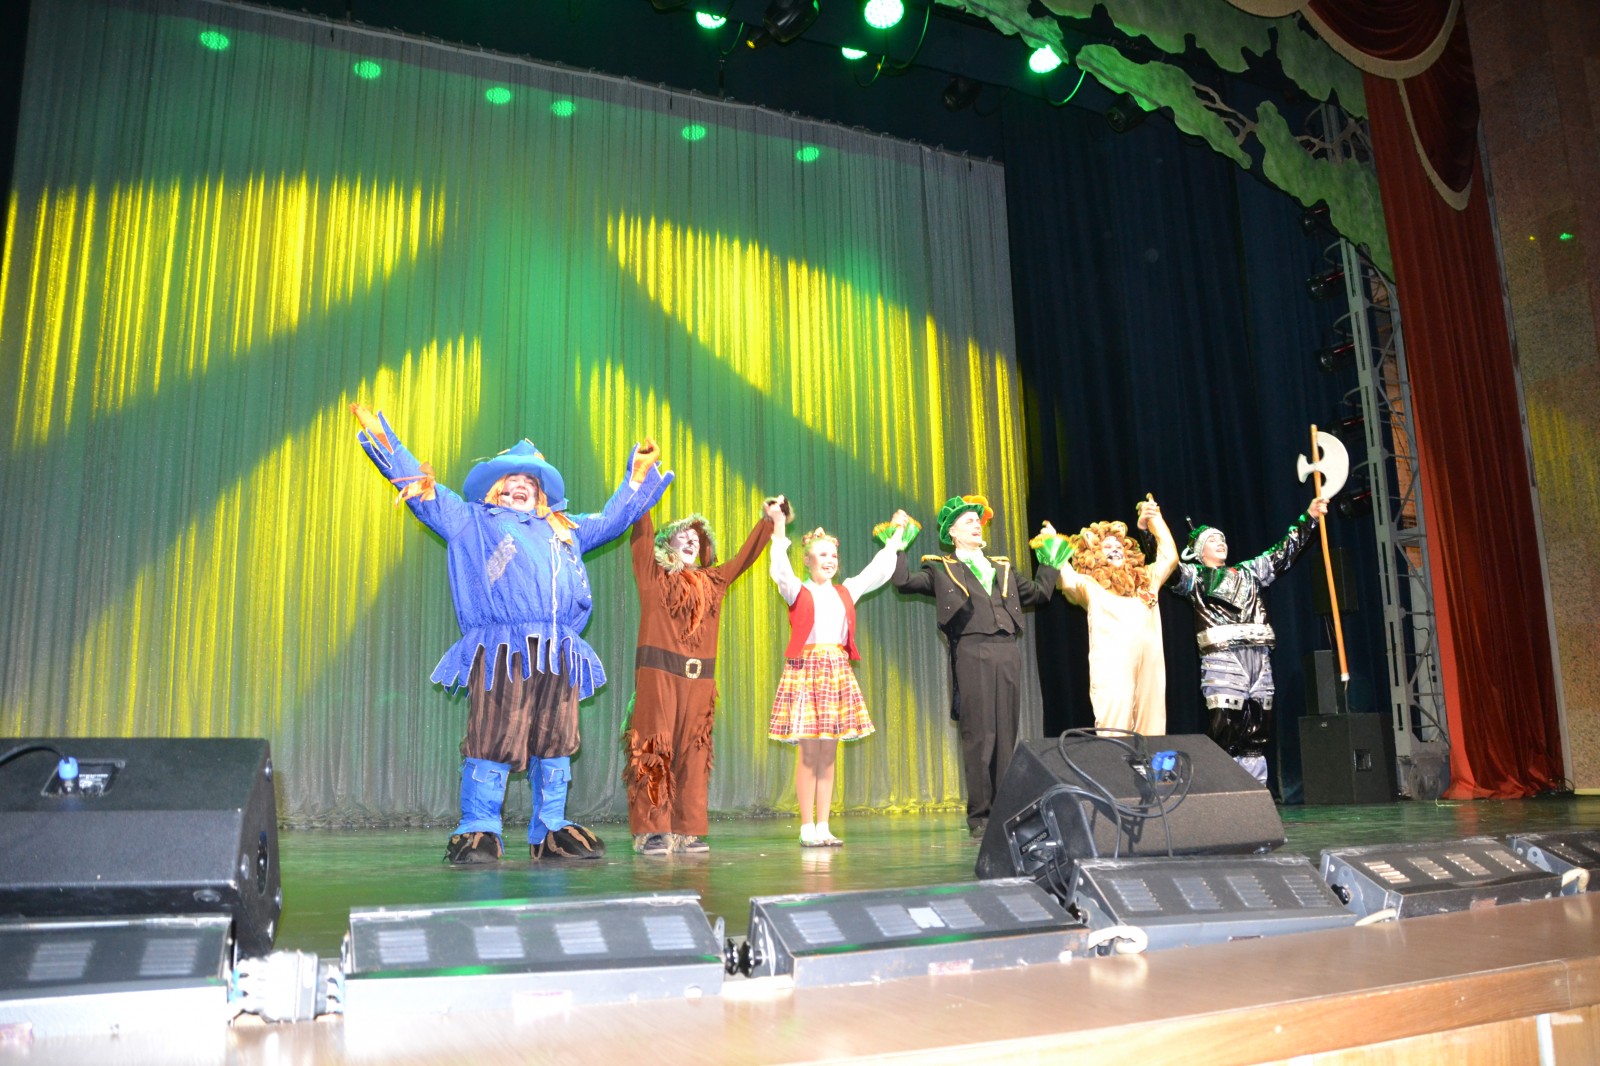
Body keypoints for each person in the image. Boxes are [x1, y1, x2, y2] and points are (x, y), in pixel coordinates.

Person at [352, 404, 671, 865]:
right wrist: (389, 444)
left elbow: (613, 518)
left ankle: (551, 828)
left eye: (530, 482)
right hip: (503, 649)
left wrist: (636, 477)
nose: (521, 485)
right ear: (496, 489)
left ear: (541, 494)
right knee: (494, 735)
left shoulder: (564, 529)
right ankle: (479, 827)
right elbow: (424, 492)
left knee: (556, 738)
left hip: (557, 650)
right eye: (512, 480)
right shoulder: (471, 520)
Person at [891, 495, 1060, 839]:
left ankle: (1004, 811)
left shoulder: (1003, 568)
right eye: (967, 520)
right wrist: (897, 539)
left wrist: (1050, 553)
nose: (976, 525)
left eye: (977, 520)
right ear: (951, 532)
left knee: (1006, 733)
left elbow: (1041, 593)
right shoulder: (941, 568)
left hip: (1007, 650)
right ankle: (980, 815)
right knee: (980, 735)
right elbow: (903, 581)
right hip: (971, 650)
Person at [623, 496, 776, 855]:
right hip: (659, 677)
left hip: (700, 681)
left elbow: (744, 559)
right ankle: (652, 831)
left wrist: (768, 522)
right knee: (654, 750)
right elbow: (642, 536)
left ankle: (687, 830)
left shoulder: (714, 582)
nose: (692, 539)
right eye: (684, 535)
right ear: (667, 544)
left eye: (697, 537)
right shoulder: (653, 575)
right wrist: (643, 492)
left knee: (695, 753)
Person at [765, 500, 912, 847]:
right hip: (806, 671)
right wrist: (779, 525)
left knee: (828, 755)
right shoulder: (797, 590)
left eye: (833, 555)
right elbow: (780, 570)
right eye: (822, 555)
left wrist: (896, 533)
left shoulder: (846, 591)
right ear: (807, 560)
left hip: (835, 672)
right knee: (809, 754)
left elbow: (878, 569)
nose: (830, 560)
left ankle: (824, 824)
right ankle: (806, 826)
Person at [1169, 497, 1330, 785]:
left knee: (1257, 726)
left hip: (1258, 655)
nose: (1221, 543)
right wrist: (1151, 532)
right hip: (1223, 657)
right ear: (1199, 552)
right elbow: (1168, 568)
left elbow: (1284, 551)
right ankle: (1222, 789)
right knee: (1226, 722)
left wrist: (1310, 517)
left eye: (1222, 539)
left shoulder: (1250, 571)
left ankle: (1254, 791)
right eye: (1213, 540)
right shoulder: (1195, 577)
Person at [1045, 496, 1178, 735]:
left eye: (1119, 545)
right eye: (1107, 547)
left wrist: (1154, 519)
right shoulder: (1090, 585)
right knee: (1115, 724)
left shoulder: (1147, 579)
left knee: (1153, 726)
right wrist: (1052, 543)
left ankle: (1150, 761)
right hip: (1113, 666)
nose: (1115, 549)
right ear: (1094, 555)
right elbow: (1066, 578)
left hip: (1151, 665)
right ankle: (1114, 759)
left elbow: (1169, 557)